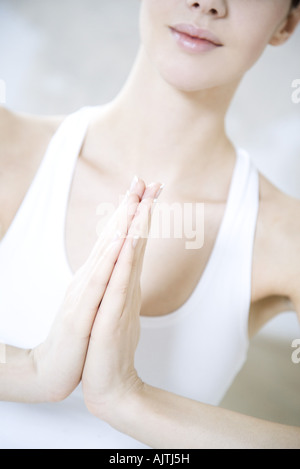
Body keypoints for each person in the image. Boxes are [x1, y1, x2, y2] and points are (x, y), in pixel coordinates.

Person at [0, 0, 300, 449]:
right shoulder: (10, 148)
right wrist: (31, 371)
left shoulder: (285, 236)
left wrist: (129, 400)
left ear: (286, 23)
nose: (208, 4)